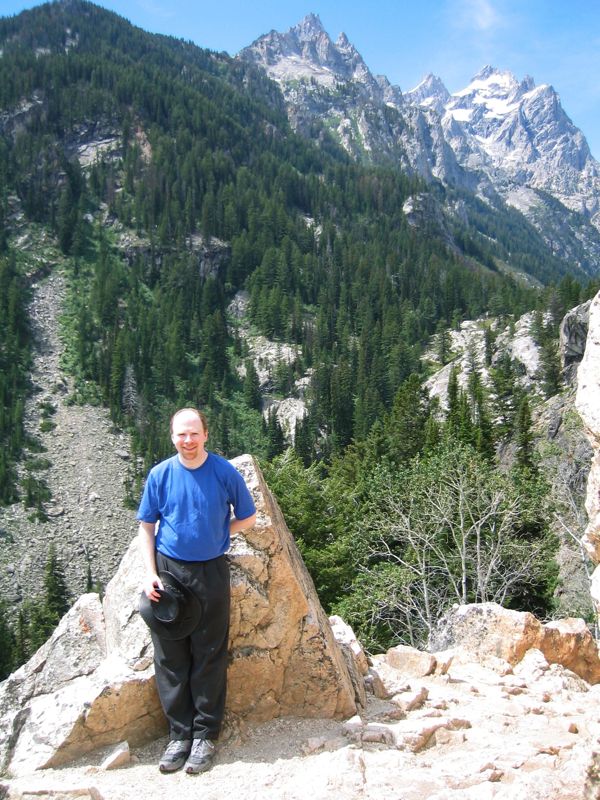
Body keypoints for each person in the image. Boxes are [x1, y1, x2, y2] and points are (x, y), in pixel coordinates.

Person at [137, 407, 257, 774]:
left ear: (206, 434)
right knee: (170, 657)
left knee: (209, 654)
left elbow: (248, 516)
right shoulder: (160, 475)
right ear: (172, 437)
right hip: (169, 572)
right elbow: (146, 525)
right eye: (180, 435)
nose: (187, 441)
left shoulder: (223, 472)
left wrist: (222, 534)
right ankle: (179, 737)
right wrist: (149, 573)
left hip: (212, 571)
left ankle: (205, 737)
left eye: (193, 434)